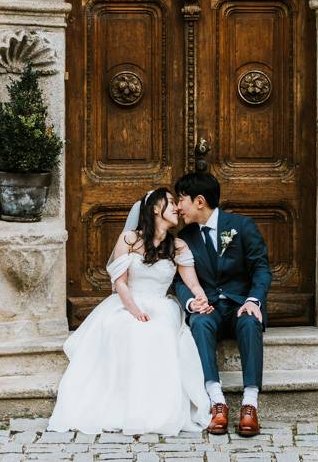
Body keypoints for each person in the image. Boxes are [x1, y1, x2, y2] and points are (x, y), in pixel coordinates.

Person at [47, 188, 211, 435]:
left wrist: (202, 299)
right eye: (170, 203)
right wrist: (134, 310)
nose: (176, 207)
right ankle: (123, 405)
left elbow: (193, 283)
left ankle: (156, 409)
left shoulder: (178, 246)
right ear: (155, 208)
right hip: (127, 303)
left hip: (161, 305)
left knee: (160, 332)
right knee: (125, 330)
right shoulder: (128, 240)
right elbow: (120, 283)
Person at [173, 171, 272, 438]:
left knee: (251, 321)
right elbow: (180, 280)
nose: (177, 206)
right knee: (200, 322)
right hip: (210, 309)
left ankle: (250, 404)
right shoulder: (185, 237)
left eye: (181, 199)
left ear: (200, 201)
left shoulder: (242, 226)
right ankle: (217, 402)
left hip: (241, 304)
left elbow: (261, 269)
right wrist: (192, 302)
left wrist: (254, 300)